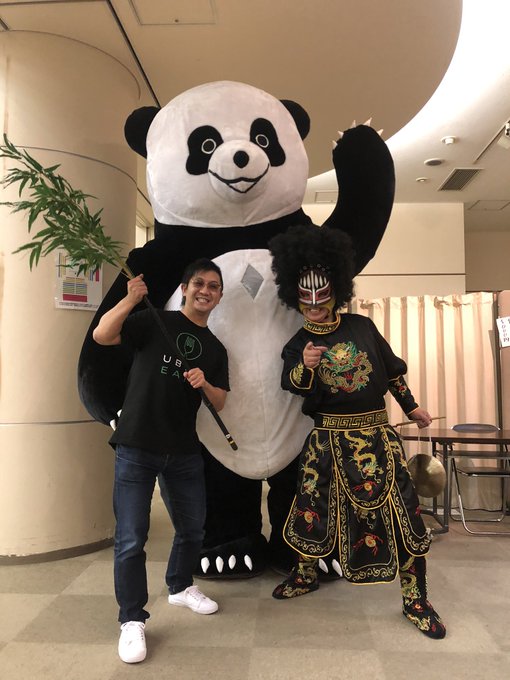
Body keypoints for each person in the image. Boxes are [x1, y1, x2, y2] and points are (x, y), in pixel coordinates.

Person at [267, 225, 446, 639]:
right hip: (326, 442)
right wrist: (306, 366)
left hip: (378, 439)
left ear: (337, 290)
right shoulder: (297, 343)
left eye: (322, 294)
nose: (314, 304)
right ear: (294, 295)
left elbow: (392, 373)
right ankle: (305, 574)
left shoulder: (363, 327)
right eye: (305, 296)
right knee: (312, 511)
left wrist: (412, 407)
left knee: (402, 516)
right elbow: (292, 385)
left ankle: (415, 598)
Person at [93, 258, 230, 663]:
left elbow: (221, 400)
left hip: (184, 449)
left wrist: (205, 383)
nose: (205, 291)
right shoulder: (155, 321)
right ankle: (131, 619)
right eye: (199, 283)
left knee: (192, 528)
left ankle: (180, 586)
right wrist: (129, 300)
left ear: (219, 296)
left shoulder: (216, 347)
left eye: (214, 286)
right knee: (131, 538)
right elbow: (102, 335)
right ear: (185, 288)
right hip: (136, 445)